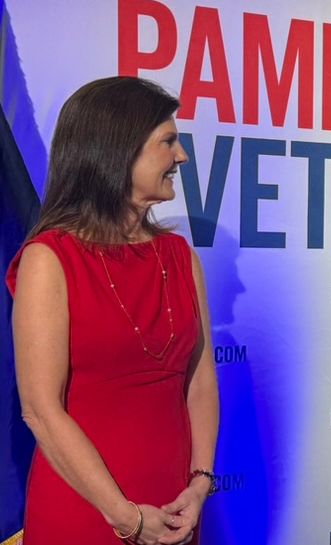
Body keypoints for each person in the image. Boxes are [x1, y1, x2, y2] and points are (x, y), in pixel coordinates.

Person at [6, 77, 219, 544]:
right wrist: (125, 517)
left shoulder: (180, 256)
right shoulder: (49, 259)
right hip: (87, 513)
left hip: (176, 511)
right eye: (168, 141)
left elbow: (201, 381)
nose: (181, 156)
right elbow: (40, 410)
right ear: (118, 150)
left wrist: (200, 482)